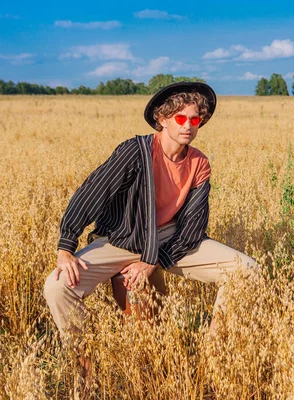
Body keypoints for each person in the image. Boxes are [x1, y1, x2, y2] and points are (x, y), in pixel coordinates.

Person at [43, 81, 256, 348]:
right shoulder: (135, 151)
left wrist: (152, 261)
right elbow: (92, 193)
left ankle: (214, 351)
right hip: (121, 239)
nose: (187, 125)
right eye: (180, 118)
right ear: (162, 119)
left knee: (246, 269)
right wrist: (66, 245)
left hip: (170, 241)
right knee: (56, 287)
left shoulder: (199, 163)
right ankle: (83, 362)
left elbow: (192, 226)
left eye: (195, 119)